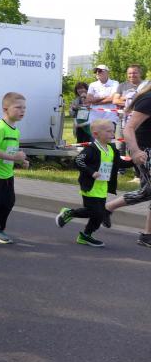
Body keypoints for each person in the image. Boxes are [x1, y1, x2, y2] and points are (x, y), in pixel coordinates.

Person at [56, 119, 132, 247]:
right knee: (96, 212)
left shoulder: (111, 149)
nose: (112, 134)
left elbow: (120, 163)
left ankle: (86, 236)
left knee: (99, 214)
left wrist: (134, 161)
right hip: (90, 186)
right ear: (96, 134)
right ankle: (70, 213)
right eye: (108, 131)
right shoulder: (91, 149)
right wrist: (91, 172)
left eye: (113, 131)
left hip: (102, 187)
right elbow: (78, 161)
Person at [105, 85, 151, 247]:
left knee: (147, 192)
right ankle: (147, 236)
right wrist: (135, 151)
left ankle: (107, 208)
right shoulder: (148, 99)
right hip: (145, 151)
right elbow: (129, 128)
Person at [0, 92, 30, 244]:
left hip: (8, 174)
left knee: (8, 202)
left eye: (24, 108)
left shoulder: (15, 130)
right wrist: (13, 158)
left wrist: (21, 161)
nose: (22, 111)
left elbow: (10, 151)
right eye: (18, 107)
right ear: (5, 109)